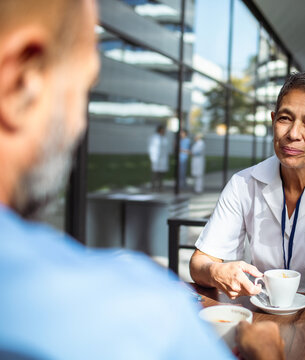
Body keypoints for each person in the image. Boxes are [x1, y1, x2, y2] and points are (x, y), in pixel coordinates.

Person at [0, 0, 283, 359]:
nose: (80, 125)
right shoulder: (141, 311)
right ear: (20, 82)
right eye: (83, 89)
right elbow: (198, 265)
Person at [190, 72, 305, 299]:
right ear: (273, 120)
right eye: (285, 118)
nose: (293, 134)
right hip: (263, 311)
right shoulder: (243, 183)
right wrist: (215, 271)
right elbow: (199, 263)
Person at [148, 124, 169, 191]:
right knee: (155, 173)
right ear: (160, 130)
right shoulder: (154, 138)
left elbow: (166, 149)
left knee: (161, 173)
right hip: (156, 158)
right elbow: (151, 148)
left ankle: (160, 187)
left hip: (163, 158)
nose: (164, 131)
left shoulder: (164, 138)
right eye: (163, 130)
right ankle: (153, 187)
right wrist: (152, 158)